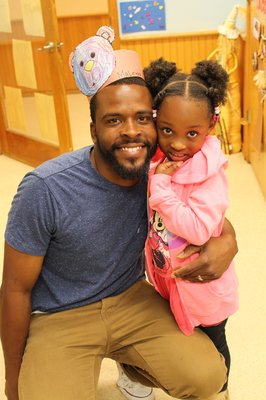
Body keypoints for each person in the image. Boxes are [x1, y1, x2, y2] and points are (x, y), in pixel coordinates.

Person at [0, 26, 237, 400]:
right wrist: (12, 382)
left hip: (131, 299)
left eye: (143, 118)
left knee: (206, 376)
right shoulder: (45, 188)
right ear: (93, 129)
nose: (132, 132)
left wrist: (229, 240)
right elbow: (15, 288)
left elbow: (204, 211)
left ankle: (134, 365)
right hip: (61, 316)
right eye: (114, 120)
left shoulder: (157, 169)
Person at [143, 58, 239, 400]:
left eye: (192, 134)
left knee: (214, 346)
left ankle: (220, 392)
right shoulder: (158, 158)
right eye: (167, 130)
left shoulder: (210, 175)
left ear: (210, 125)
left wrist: (163, 190)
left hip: (203, 291)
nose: (178, 144)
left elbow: (199, 230)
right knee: (181, 345)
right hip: (169, 283)